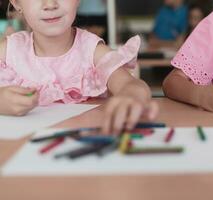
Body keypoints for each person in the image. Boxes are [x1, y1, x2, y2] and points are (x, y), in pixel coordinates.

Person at [0, 0, 158, 134]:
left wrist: (131, 96)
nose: (50, 4)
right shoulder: (8, 51)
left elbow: (130, 84)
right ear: (16, 2)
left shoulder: (92, 51)